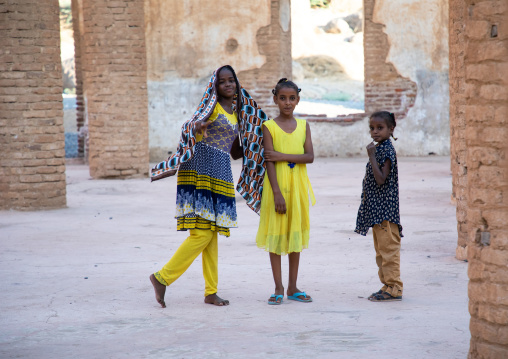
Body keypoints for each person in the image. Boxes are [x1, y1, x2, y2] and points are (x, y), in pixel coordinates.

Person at [149, 65, 268, 308]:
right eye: (222, 81)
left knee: (211, 233)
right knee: (202, 233)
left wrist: (251, 139)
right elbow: (189, 126)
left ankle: (211, 291)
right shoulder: (210, 106)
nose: (228, 85)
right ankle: (162, 277)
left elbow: (235, 151)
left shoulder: (236, 111)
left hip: (221, 168)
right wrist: (197, 129)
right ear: (215, 86)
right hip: (201, 167)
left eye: (231, 81)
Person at [256, 78, 316, 305]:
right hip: (276, 189)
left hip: (298, 188)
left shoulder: (304, 126)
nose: (287, 103)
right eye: (282, 98)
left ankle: (293, 287)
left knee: (294, 235)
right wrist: (277, 192)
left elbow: (309, 157)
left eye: (292, 98)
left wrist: (282, 156)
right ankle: (278, 287)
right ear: (275, 100)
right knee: (276, 235)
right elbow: (268, 162)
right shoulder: (269, 127)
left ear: (298, 100)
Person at [355, 111, 403, 302]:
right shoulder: (381, 147)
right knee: (381, 252)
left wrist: (372, 156)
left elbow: (381, 179)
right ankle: (387, 285)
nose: (375, 132)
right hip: (377, 212)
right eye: (372, 128)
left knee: (389, 252)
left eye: (380, 128)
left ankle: (395, 287)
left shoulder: (386, 150)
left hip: (385, 213)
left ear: (391, 129)